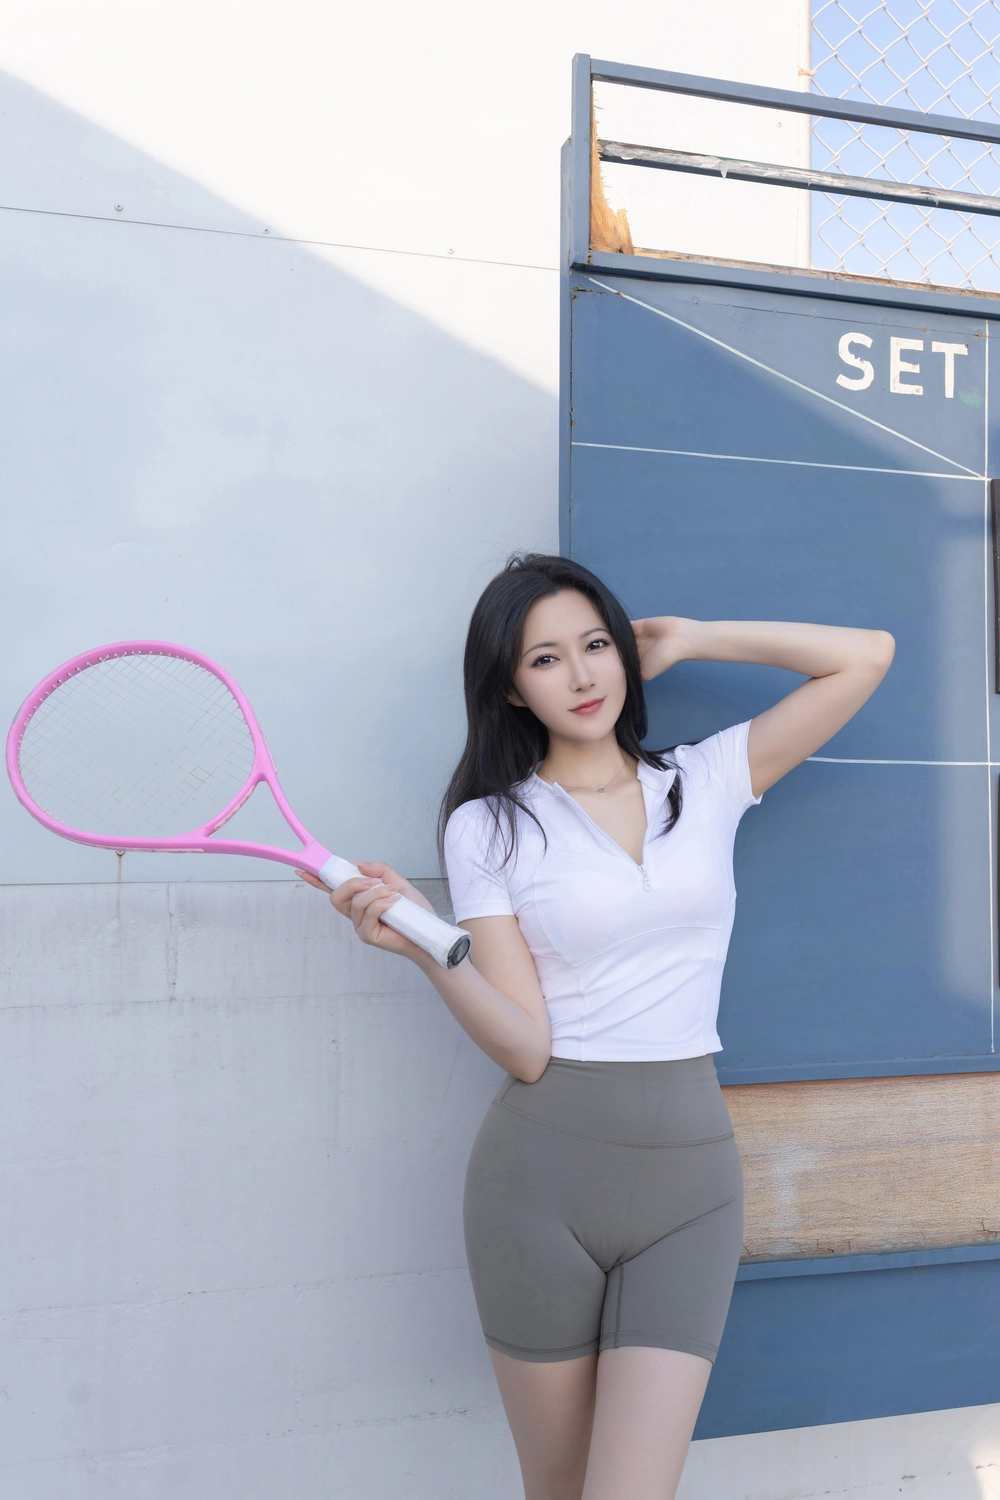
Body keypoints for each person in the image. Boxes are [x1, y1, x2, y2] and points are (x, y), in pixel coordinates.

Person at [298, 553, 894, 1500]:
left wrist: (691, 637)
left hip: (691, 1188)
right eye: (545, 659)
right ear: (510, 688)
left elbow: (867, 656)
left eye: (596, 645)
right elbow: (524, 1045)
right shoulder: (489, 825)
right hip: (542, 1182)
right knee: (559, 1488)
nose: (581, 676)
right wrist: (424, 947)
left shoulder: (706, 780)